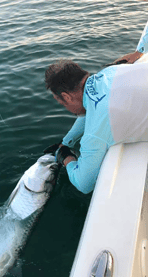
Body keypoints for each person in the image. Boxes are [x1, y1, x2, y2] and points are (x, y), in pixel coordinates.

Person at [44, 22, 148, 194]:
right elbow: (91, 109)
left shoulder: (95, 134)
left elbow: (83, 183)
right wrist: (66, 142)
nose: (67, 108)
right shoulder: (111, 71)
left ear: (67, 96)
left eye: (63, 103)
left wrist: (65, 157)